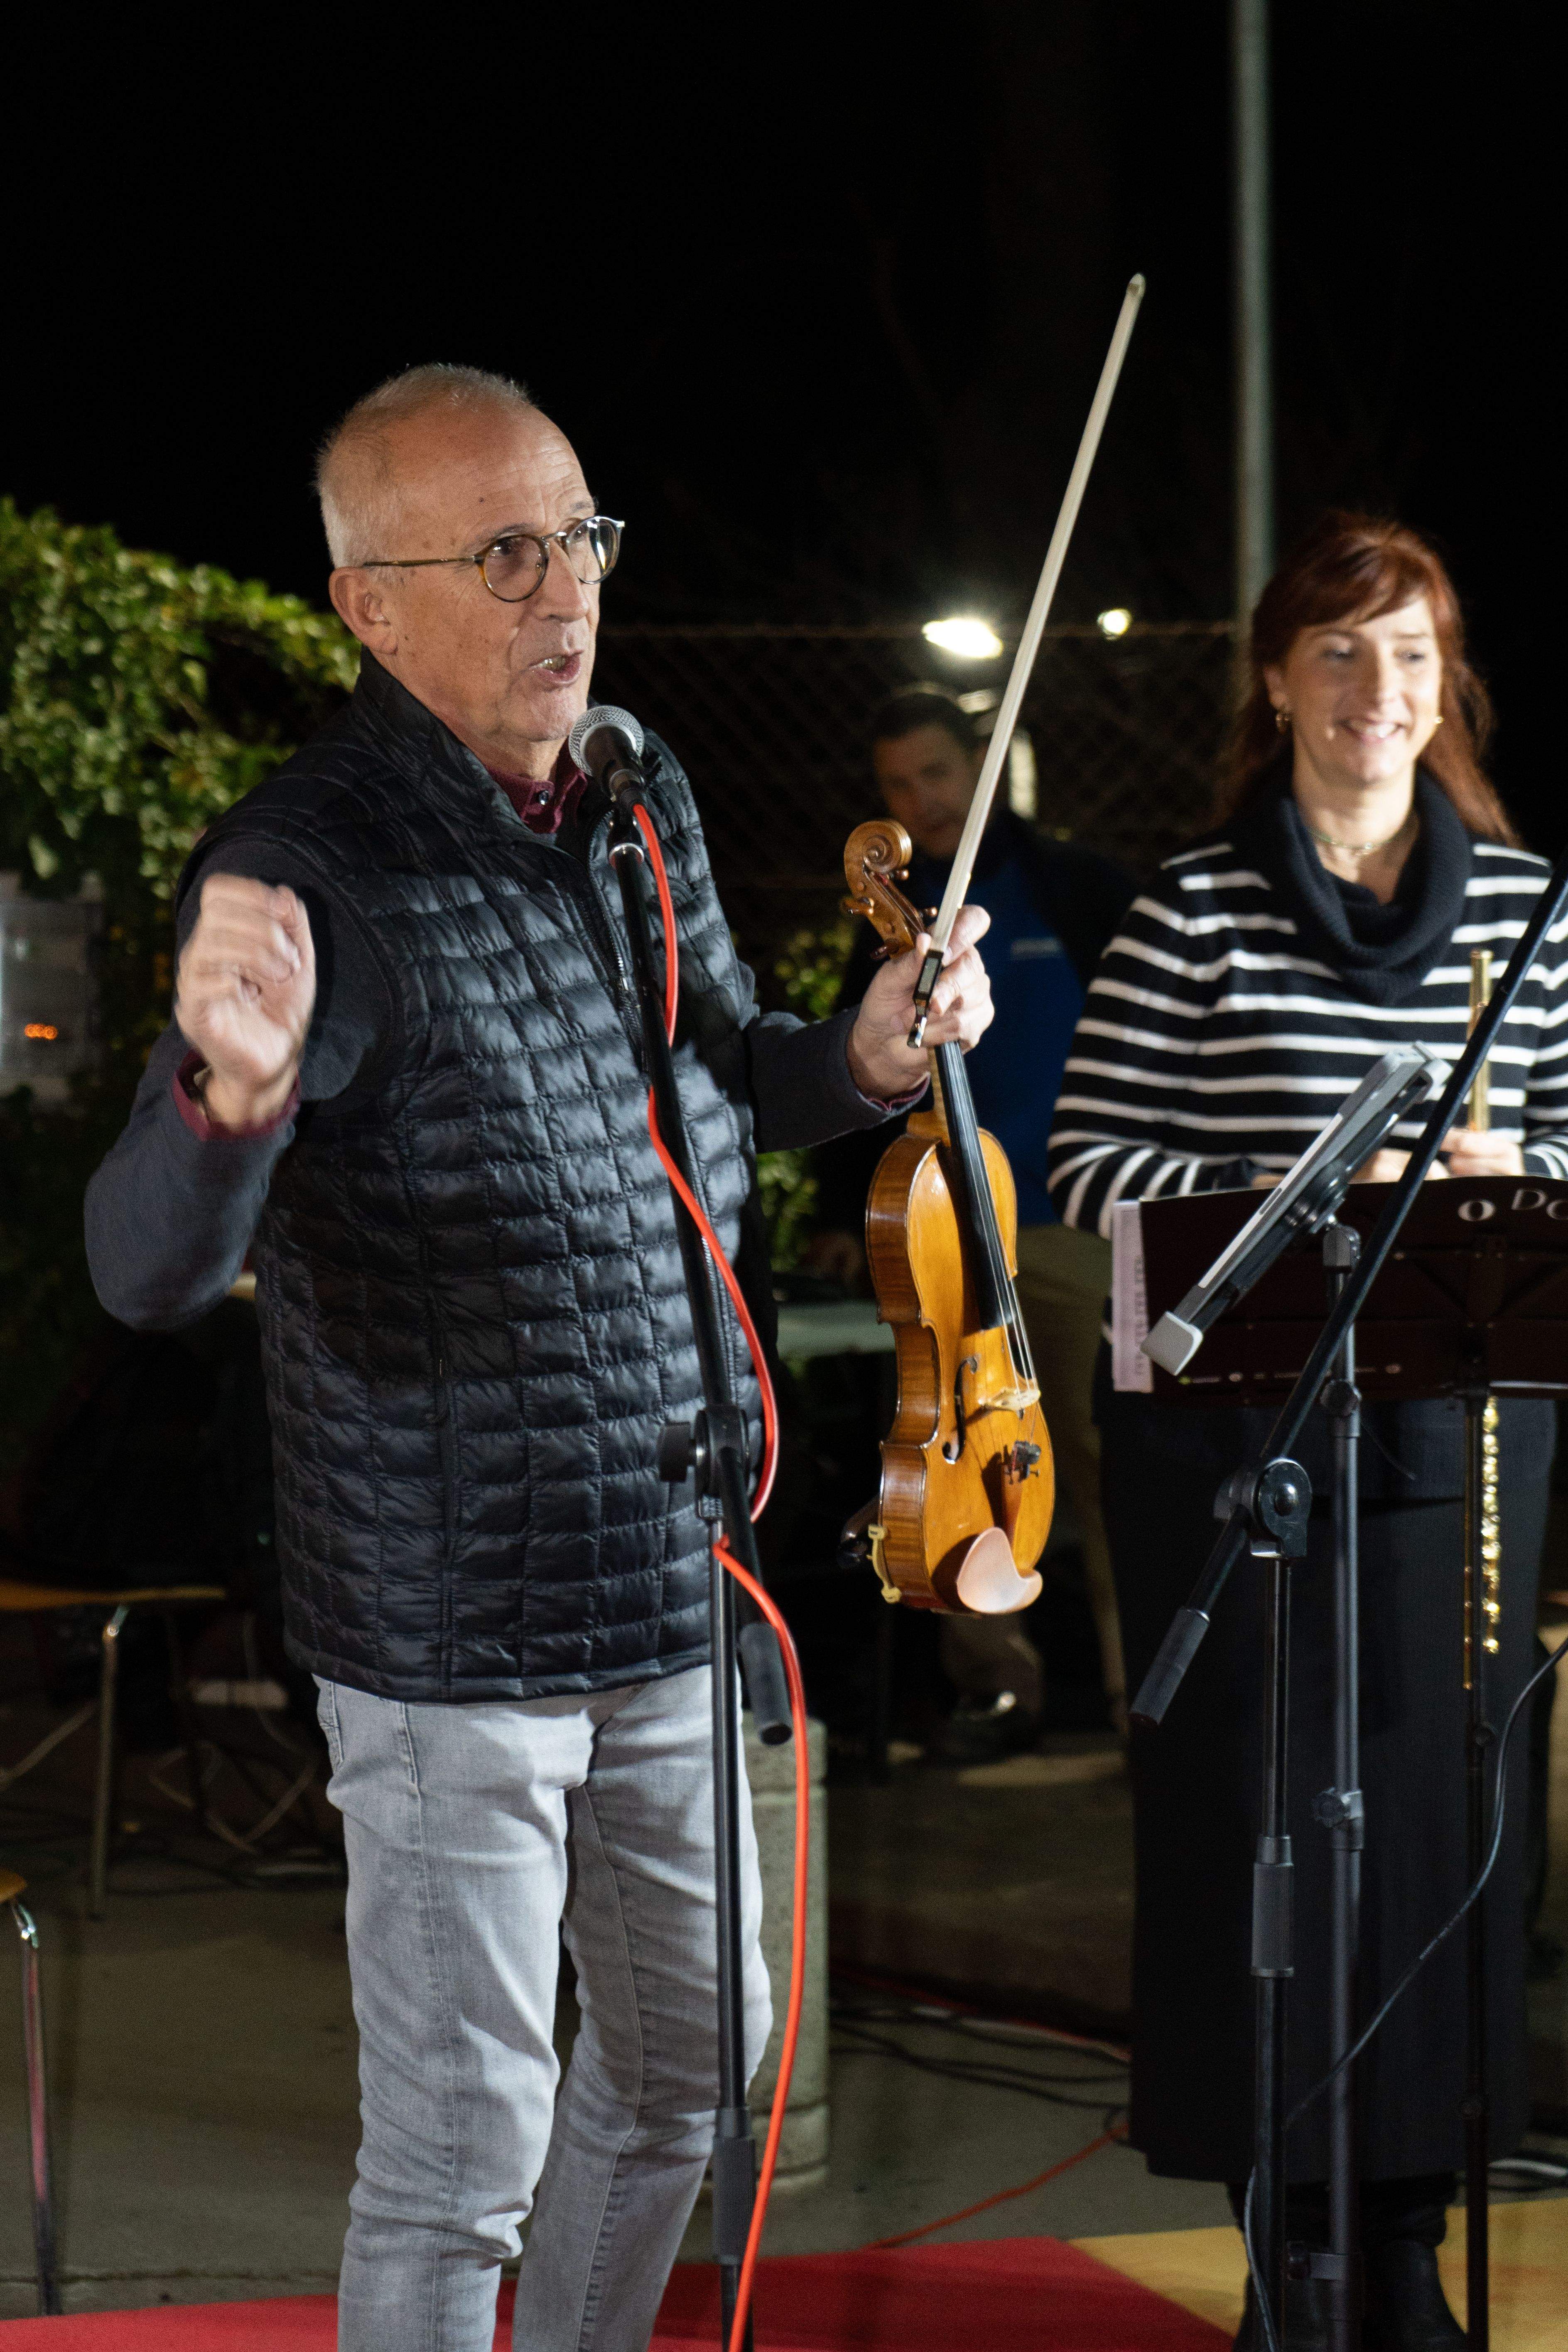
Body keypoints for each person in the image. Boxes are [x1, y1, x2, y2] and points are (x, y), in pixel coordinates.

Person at [83, 366, 996, 2352]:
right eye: (500, 552)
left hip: (667, 1573)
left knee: (694, 2061)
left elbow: (726, 1064)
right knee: (456, 2149)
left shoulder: (637, 789)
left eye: (576, 534)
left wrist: (866, 1051)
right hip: (446, 1629)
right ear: (367, 606)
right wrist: (219, 1094)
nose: (560, 586)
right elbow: (146, 1266)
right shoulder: (307, 864)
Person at [1047, 512, 1568, 2350]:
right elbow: (1084, 1162)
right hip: (1243, 1462)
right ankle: (1294, 2232)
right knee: (1264, 1833)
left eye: (1409, 654)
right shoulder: (1188, 904)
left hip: (1455, 1460)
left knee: (1434, 1832)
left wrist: (1514, 1180)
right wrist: (1278, 1189)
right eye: (1339, 653)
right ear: (1273, 677)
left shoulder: (1524, 908)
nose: (1376, 691)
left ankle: (1410, 2237)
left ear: (1448, 685)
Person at [809, 687, 1132, 1755]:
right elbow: (854, 1073)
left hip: (1073, 1220)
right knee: (955, 1441)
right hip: (952, 1229)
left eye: (937, 775)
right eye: (897, 784)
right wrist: (835, 1210)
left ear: (982, 765)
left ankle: (1143, 1695)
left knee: (1098, 1460)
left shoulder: (1075, 890)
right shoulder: (896, 914)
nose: (921, 800)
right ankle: (996, 1682)